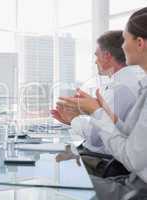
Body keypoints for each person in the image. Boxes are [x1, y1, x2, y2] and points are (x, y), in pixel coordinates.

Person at [58, 7, 147, 199]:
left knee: (57, 176)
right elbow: (134, 137)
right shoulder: (140, 85)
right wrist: (103, 112)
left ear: (139, 43)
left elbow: (131, 157)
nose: (123, 47)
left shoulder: (124, 86)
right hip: (130, 179)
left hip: (135, 187)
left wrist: (96, 113)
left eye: (126, 39)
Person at [52, 30, 142, 156]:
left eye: (96, 55)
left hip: (102, 163)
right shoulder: (125, 82)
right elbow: (110, 125)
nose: (95, 61)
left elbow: (95, 138)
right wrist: (82, 113)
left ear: (107, 56)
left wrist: (73, 119)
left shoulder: (120, 88)